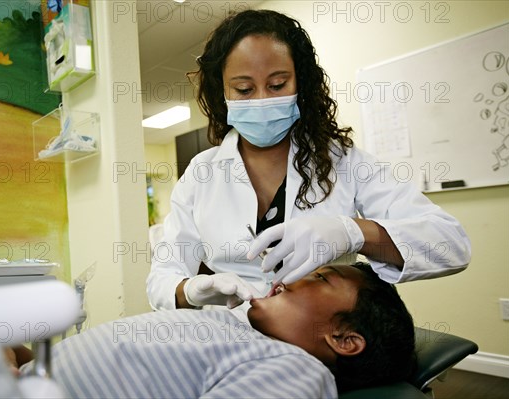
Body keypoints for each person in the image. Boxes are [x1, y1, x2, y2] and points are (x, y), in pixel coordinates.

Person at [146, 9, 471, 313]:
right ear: (223, 92)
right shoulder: (202, 173)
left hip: (319, 332)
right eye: (244, 89)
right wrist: (192, 290)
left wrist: (353, 232)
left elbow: (449, 245)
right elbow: (162, 278)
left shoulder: (343, 162)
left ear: (300, 83)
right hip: (231, 332)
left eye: (277, 84)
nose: (261, 100)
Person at [19, 263, 416, 397]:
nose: (290, 276)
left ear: (344, 339)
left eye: (319, 278)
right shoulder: (241, 336)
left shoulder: (296, 369)